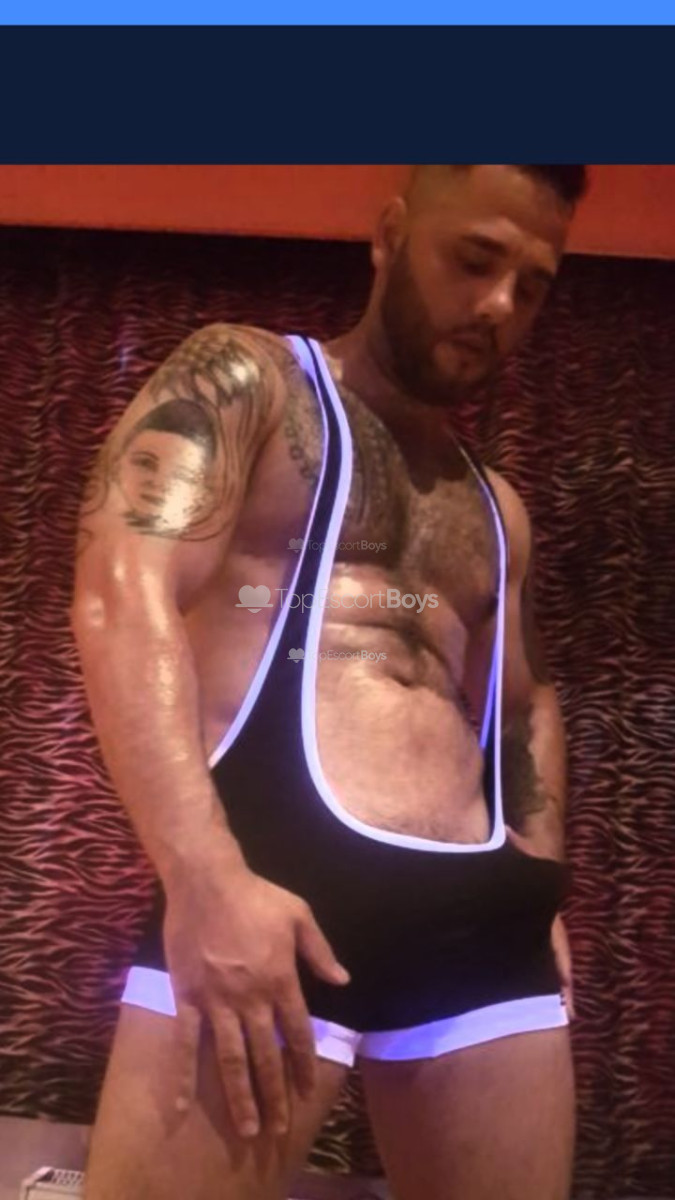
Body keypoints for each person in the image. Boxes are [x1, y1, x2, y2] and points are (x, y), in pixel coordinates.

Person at [71, 163, 587, 1200]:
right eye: (475, 259)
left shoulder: (497, 506)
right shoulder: (248, 382)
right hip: (270, 887)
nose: (499, 305)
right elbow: (122, 591)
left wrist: (537, 882)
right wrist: (203, 877)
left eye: (531, 285)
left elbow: (523, 700)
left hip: (483, 926)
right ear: (390, 235)